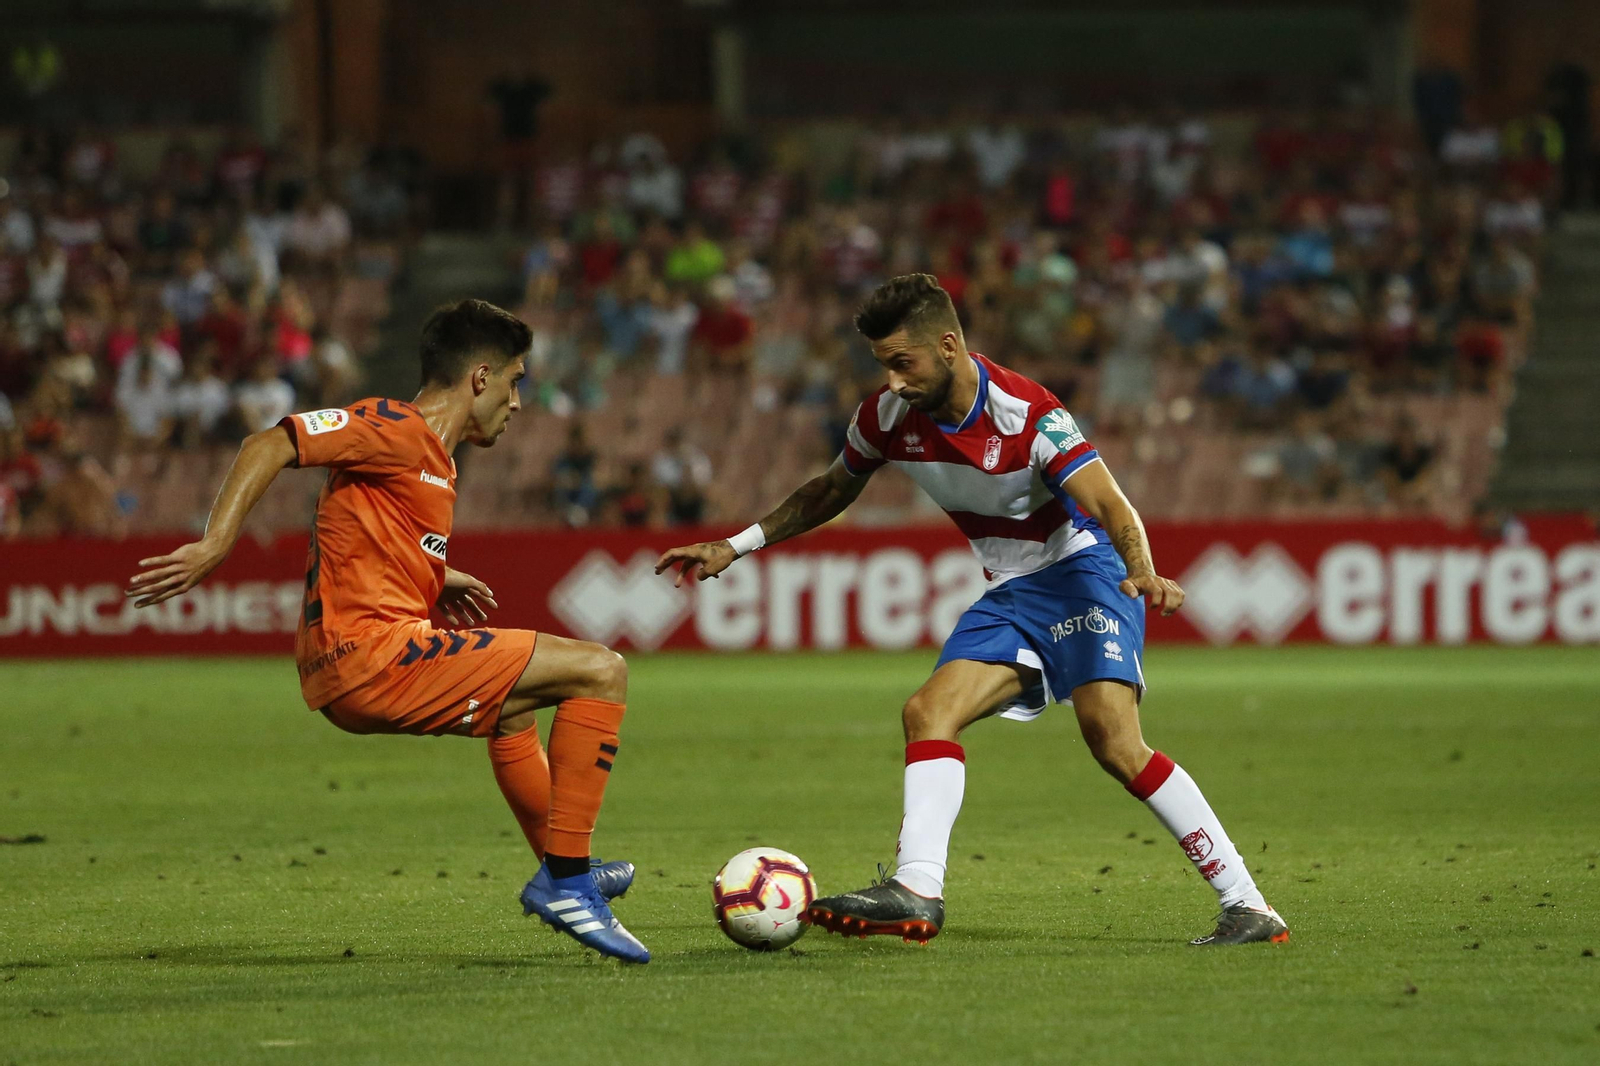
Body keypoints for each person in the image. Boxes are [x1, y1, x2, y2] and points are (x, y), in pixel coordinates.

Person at [656, 275, 1288, 947]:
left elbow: (1108, 502)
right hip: (1012, 593)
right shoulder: (887, 418)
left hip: (1083, 573)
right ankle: (918, 889)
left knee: (1114, 741)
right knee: (927, 712)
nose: (893, 380)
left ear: (949, 345)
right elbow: (829, 490)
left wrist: (1141, 570)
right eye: (883, 365)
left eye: (904, 362)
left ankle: (1248, 904)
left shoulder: (1027, 414)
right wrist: (736, 544)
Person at [124, 299, 649, 964]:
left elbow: (367, 532)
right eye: (516, 382)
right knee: (602, 670)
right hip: (374, 658)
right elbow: (271, 442)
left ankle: (562, 857)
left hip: (351, 664)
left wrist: (436, 572)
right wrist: (215, 543)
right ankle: (568, 882)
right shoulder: (396, 427)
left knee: (512, 714)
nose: (518, 403)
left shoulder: (435, 459)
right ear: (480, 378)